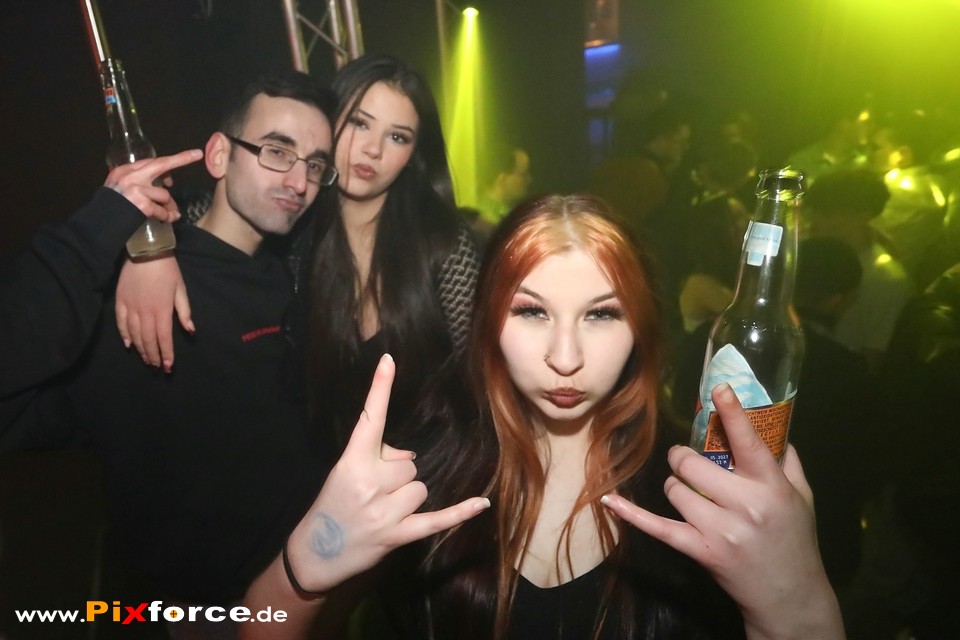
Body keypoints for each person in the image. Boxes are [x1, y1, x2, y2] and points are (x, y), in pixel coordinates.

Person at [250, 195, 844, 639]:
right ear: (488, 321)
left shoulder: (697, 495)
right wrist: (302, 566)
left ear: (640, 327)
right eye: (531, 312)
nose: (565, 358)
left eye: (601, 315)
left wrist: (798, 605)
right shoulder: (420, 471)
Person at [114, 54, 480, 458]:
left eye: (398, 137)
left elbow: (481, 379)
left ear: (413, 154)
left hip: (430, 471)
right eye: (359, 123)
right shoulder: (289, 224)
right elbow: (196, 213)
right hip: (318, 480)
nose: (373, 150)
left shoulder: (441, 244)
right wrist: (147, 252)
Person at [805, 168, 914, 372]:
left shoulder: (885, 279)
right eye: (814, 213)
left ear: (863, 215)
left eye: (828, 214)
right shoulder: (812, 256)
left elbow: (873, 358)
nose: (815, 222)